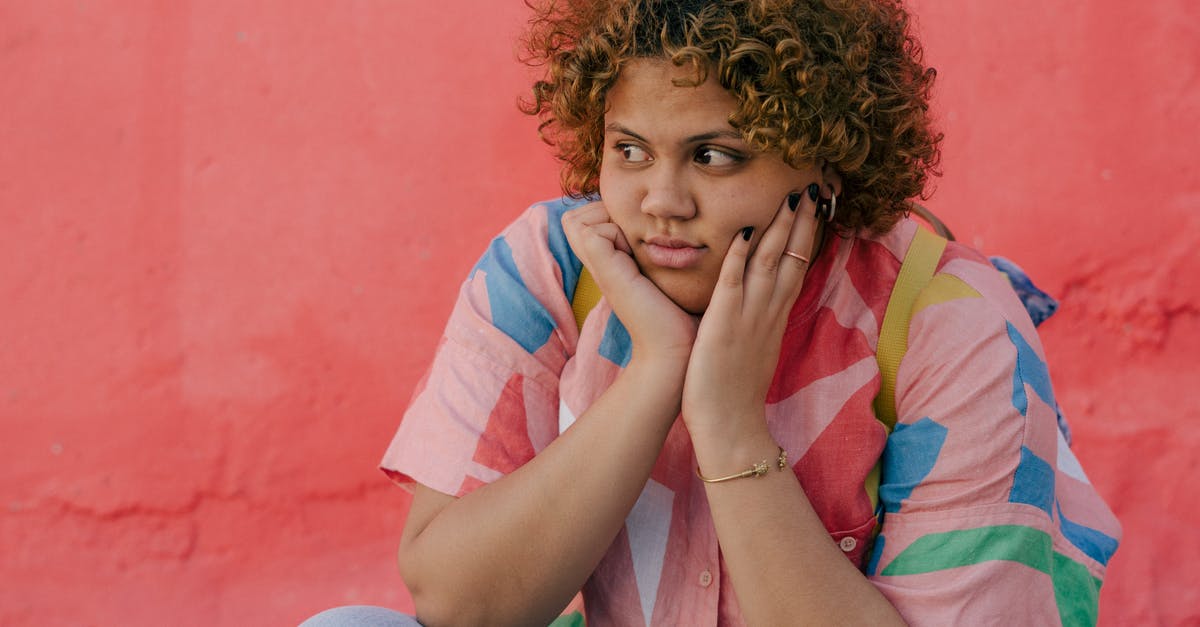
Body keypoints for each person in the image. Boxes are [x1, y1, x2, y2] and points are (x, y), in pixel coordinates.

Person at [307, 1, 1121, 625]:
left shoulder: (949, 322)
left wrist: (730, 427)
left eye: (714, 155)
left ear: (825, 159)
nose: (661, 202)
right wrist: (656, 371)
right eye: (629, 150)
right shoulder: (552, 273)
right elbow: (455, 601)